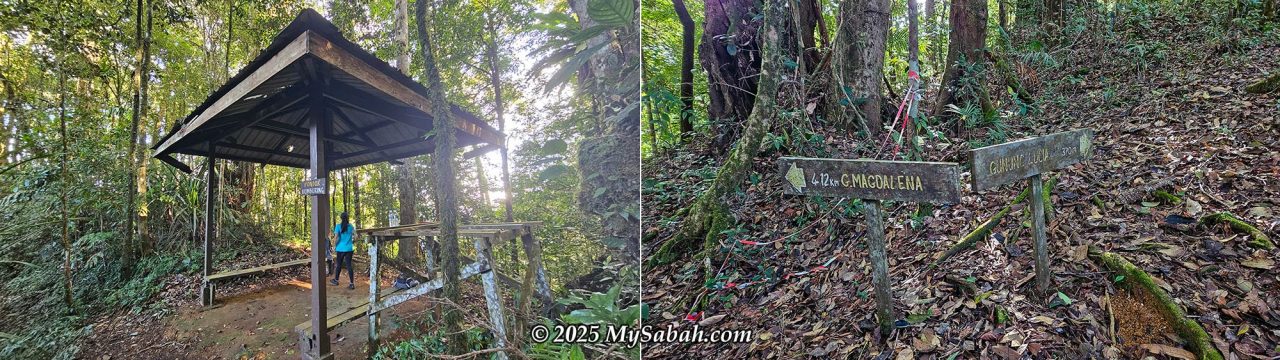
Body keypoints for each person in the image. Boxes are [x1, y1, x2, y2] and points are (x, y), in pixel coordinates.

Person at [330, 211, 357, 289]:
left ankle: (336, 280)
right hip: (349, 249)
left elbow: (336, 238)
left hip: (340, 249)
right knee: (349, 266)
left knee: (339, 265)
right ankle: (352, 283)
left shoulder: (338, 226)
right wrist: (352, 241)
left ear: (341, 218)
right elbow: (356, 236)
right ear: (347, 218)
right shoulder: (351, 226)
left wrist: (334, 246)